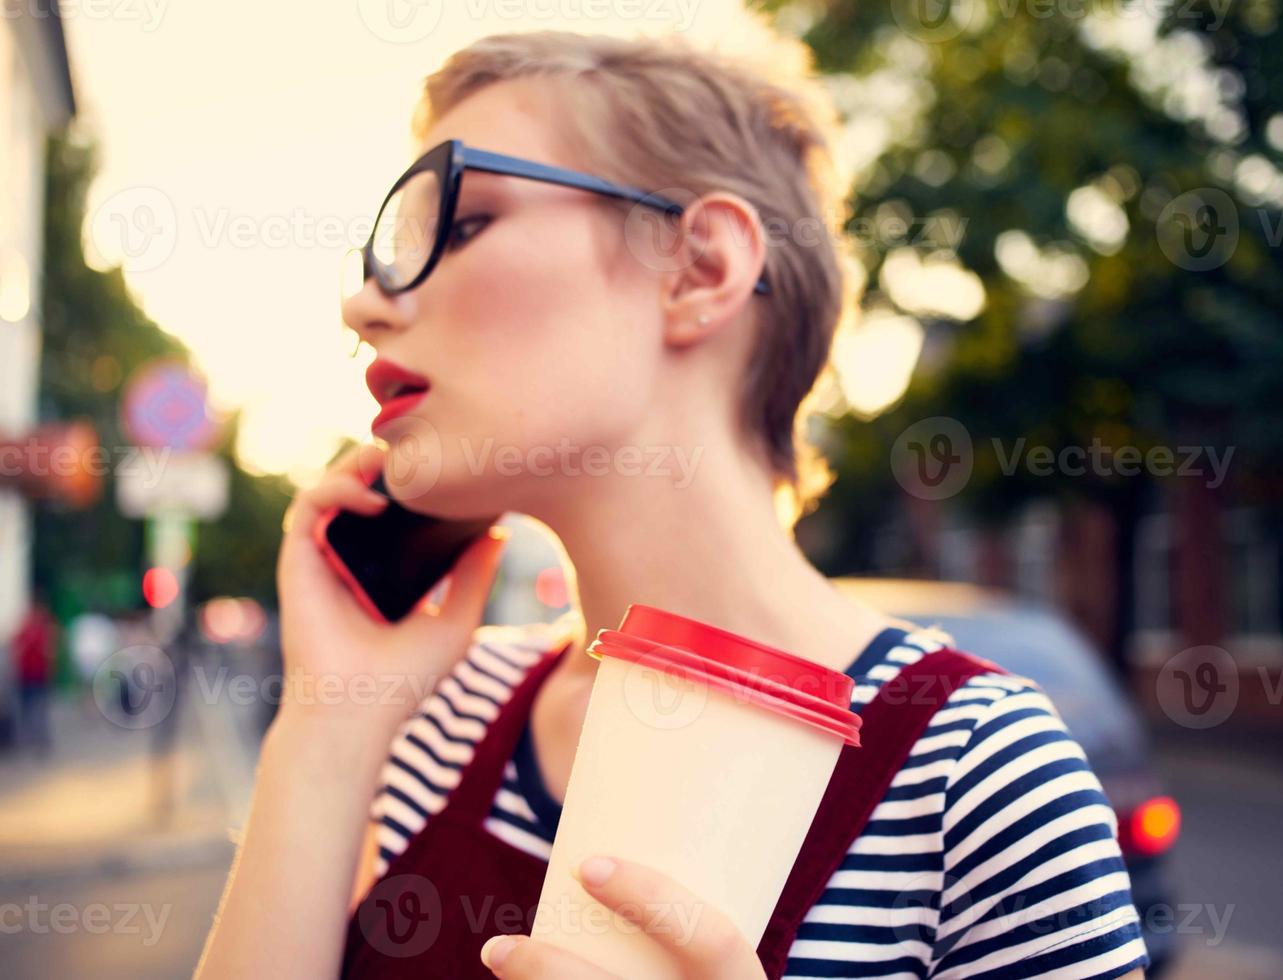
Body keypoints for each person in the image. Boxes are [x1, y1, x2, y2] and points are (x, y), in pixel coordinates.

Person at [196, 16, 1148, 980]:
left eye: (465, 221)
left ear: (698, 270)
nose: (363, 304)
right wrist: (327, 720)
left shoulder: (978, 780)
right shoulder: (444, 715)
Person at [11, 591, 57, 754]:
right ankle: (38, 738)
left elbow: (15, 647)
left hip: (30, 673)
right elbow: (49, 651)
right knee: (38, 708)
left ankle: (33, 738)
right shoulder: (42, 628)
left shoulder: (28, 627)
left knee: (31, 707)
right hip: (36, 674)